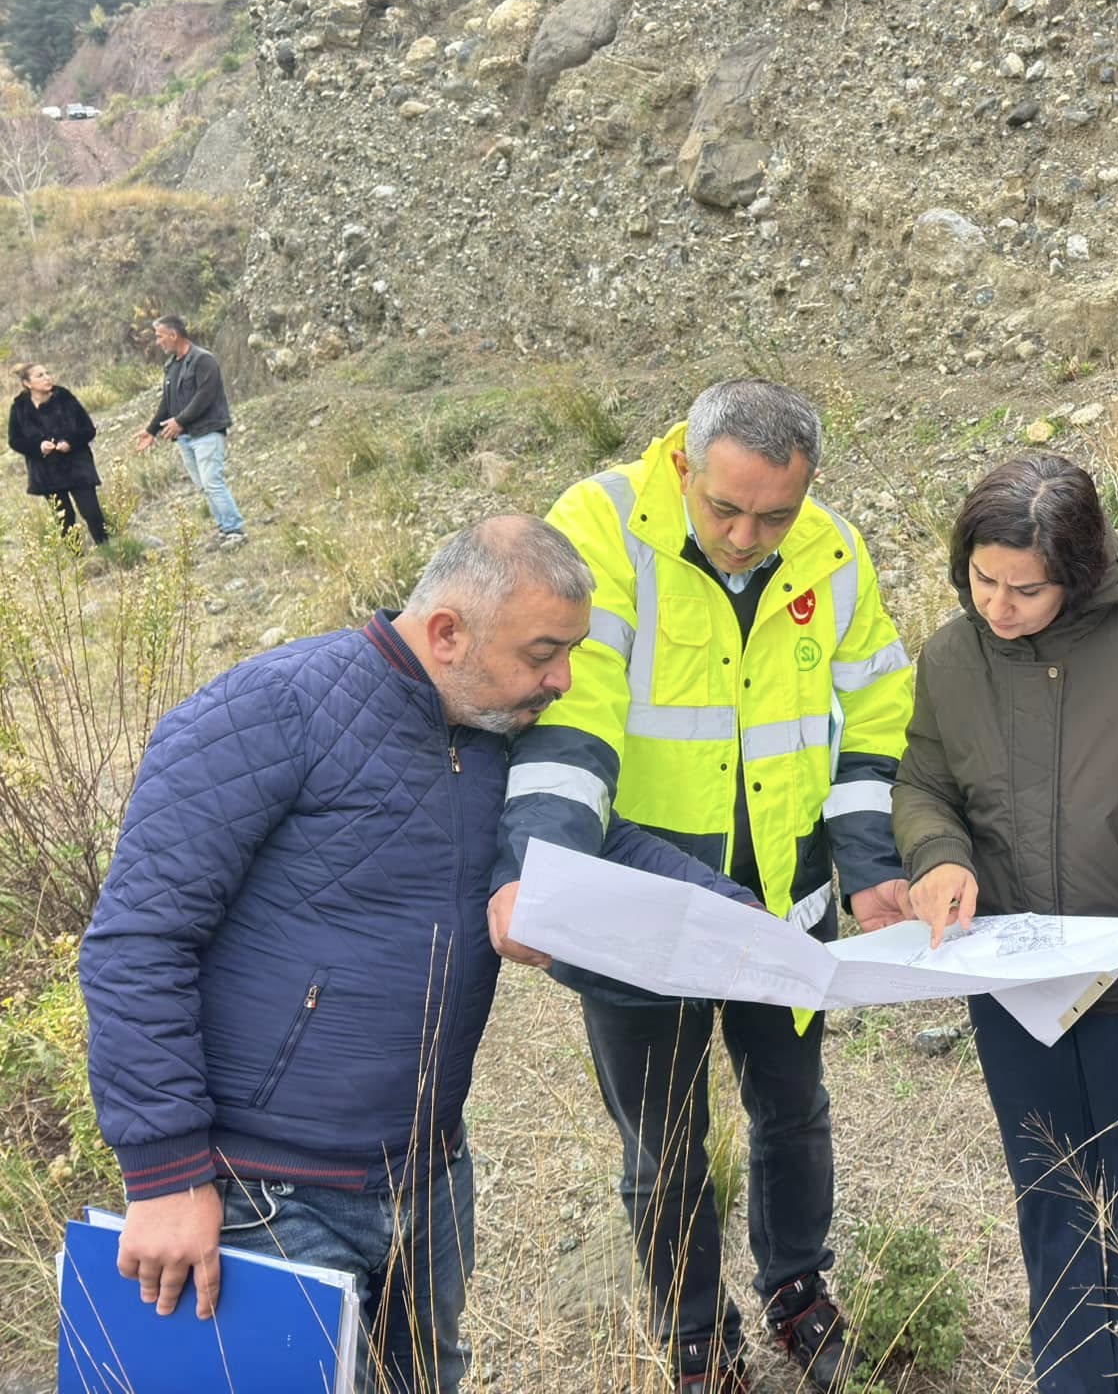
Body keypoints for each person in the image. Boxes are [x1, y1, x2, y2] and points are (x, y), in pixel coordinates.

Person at [80, 515, 755, 1394]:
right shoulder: (268, 708)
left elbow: (602, 846)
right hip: (263, 1197)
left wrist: (748, 923)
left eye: (573, 651)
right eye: (544, 652)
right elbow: (138, 941)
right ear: (447, 633)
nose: (565, 679)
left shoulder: (498, 734)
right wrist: (165, 1173)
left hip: (428, 1182)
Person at [491, 379, 915, 1393]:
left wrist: (867, 867)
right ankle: (694, 1333)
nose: (743, 536)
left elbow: (875, 716)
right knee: (664, 1146)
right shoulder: (599, 527)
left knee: (792, 1114)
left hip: (784, 910)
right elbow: (570, 715)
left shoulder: (832, 549)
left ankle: (796, 1292)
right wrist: (537, 869)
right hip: (641, 914)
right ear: (684, 463)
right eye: (724, 508)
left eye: (773, 515)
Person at [892, 454, 1118, 1394]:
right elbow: (925, 784)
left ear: (1079, 572)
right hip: (1015, 987)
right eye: (981, 578)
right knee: (1052, 1198)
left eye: (1026, 588)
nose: (998, 606)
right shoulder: (949, 658)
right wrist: (938, 859)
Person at [131, 314, 245, 547]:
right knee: (204, 485)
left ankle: (235, 531)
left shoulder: (204, 360)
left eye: (159, 336)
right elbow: (167, 401)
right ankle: (225, 530)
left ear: (174, 335)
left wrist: (180, 421)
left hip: (207, 432)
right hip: (186, 438)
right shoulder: (171, 366)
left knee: (211, 480)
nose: (157, 342)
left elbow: (205, 395)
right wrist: (151, 430)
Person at [8, 360, 107, 544]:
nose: (47, 378)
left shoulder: (65, 398)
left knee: (92, 512)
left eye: (47, 373)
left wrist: (70, 442)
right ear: (27, 384)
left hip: (77, 467)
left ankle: (109, 551)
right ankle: (77, 562)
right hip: (46, 473)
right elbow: (15, 441)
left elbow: (88, 429)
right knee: (65, 519)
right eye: (40, 375)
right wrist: (38, 447)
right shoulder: (20, 408)